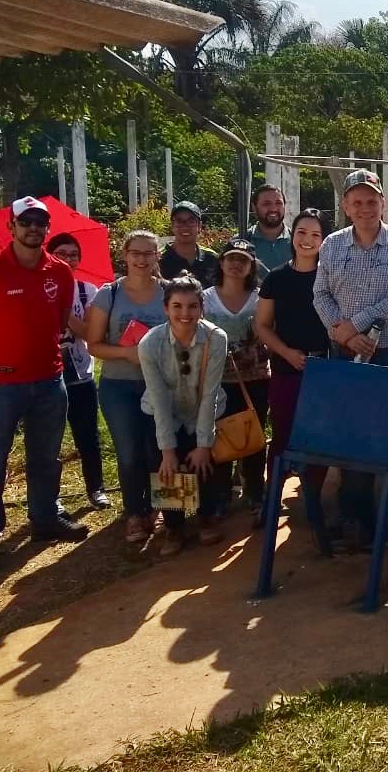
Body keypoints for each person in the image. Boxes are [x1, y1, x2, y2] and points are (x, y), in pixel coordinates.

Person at [0, 197, 88, 574]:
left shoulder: (60, 272)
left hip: (49, 380)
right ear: (10, 227)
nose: (34, 227)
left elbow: (60, 317)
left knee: (46, 459)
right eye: (25, 221)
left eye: (40, 222)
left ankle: (44, 521)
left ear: (47, 228)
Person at [314, 168, 388, 539]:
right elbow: (321, 294)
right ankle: (352, 516)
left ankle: (385, 520)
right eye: (356, 201)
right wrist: (340, 332)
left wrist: (357, 323)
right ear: (345, 205)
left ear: (382, 202)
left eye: (371, 200)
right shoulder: (332, 245)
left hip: (387, 351)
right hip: (342, 350)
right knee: (349, 430)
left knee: (380, 430)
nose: (364, 208)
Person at [255, 209, 331, 549]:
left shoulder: (332, 278)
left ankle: (313, 505)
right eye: (302, 232)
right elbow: (261, 325)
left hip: (324, 371)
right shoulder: (276, 278)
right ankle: (271, 504)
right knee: (283, 437)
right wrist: (286, 353)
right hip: (286, 369)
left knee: (319, 440)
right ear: (293, 235)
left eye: (315, 235)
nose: (307, 240)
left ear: (324, 241)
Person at [139, 274, 228, 556]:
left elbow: (210, 394)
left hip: (205, 408)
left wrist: (203, 444)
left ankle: (206, 515)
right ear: (166, 308)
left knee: (205, 461)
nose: (184, 314)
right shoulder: (149, 344)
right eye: (177, 306)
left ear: (201, 307)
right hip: (164, 412)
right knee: (165, 466)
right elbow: (159, 398)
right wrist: (167, 449)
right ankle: (174, 526)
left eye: (192, 306)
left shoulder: (216, 338)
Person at [87, 230, 166, 545]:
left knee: (163, 450)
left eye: (149, 253)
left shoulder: (169, 292)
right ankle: (135, 512)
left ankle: (168, 511)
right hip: (118, 385)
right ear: (125, 254)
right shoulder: (109, 294)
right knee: (130, 453)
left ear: (157, 256)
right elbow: (93, 344)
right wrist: (126, 353)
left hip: (161, 385)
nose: (142, 259)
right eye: (136, 252)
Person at [202, 239, 270, 524]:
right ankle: (221, 495)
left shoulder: (261, 298)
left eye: (243, 260)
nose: (236, 264)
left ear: (251, 266)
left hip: (254, 378)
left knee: (253, 435)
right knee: (219, 436)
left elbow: (269, 332)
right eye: (231, 258)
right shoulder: (204, 298)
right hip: (215, 381)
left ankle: (255, 491)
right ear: (221, 262)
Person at [46, 233, 110, 509]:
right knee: (49, 440)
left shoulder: (87, 291)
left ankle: (96, 488)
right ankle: (51, 497)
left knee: (88, 435)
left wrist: (64, 312)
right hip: (46, 375)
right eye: (61, 253)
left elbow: (89, 333)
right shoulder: (38, 288)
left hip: (81, 374)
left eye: (73, 254)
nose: (68, 259)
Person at [160, 200, 220, 288]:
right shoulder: (159, 259)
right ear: (172, 226)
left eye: (191, 221)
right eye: (179, 221)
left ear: (199, 226)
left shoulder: (212, 258)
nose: (185, 226)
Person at [236, 184, 291, 278]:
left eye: (278, 203)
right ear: (254, 207)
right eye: (267, 204)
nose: (273, 209)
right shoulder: (241, 241)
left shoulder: (298, 241)